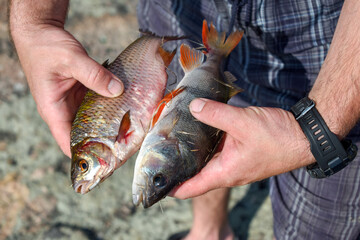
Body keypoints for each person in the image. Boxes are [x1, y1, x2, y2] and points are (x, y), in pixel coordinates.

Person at [9, 0, 360, 239]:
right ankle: (209, 230)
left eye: (85, 165)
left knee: (317, 224)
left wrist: (321, 125)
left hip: (329, 33)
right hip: (179, 8)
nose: (89, 173)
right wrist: (36, 20)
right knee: (193, 141)